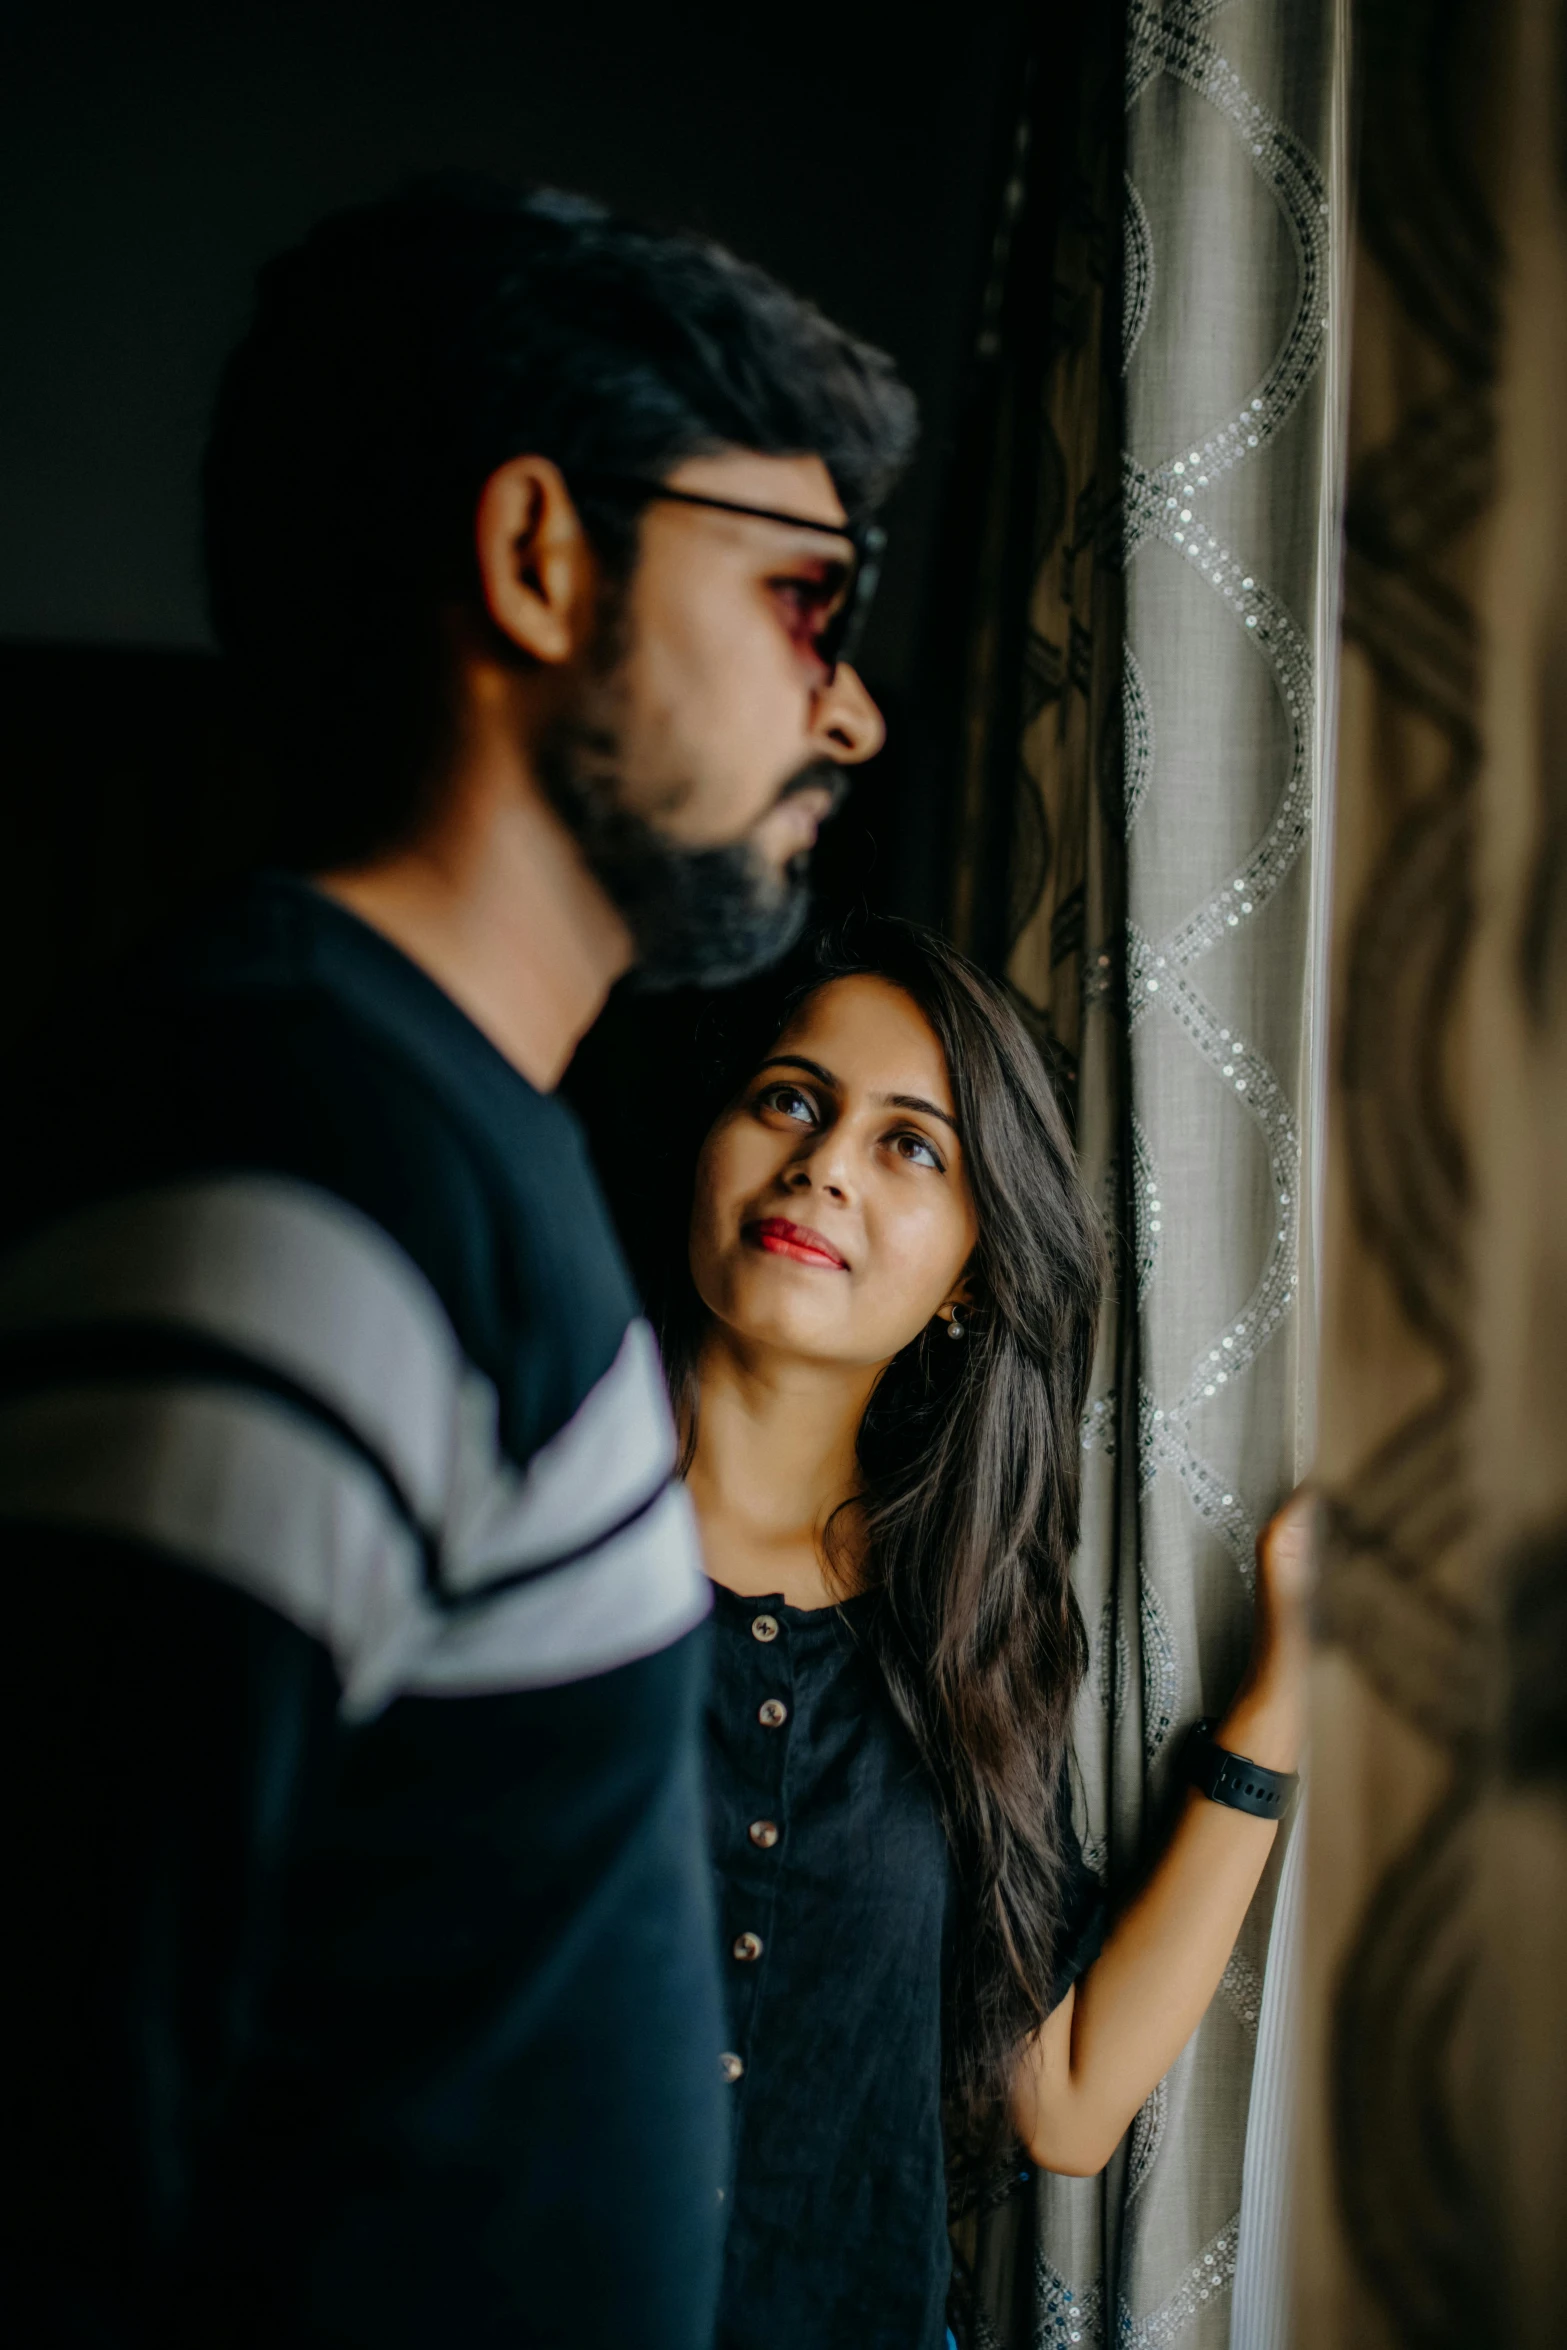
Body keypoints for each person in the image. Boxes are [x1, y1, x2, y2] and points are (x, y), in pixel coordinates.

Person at [0, 178, 914, 2348]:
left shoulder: (447, 1151)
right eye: (806, 603)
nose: (857, 713)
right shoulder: (295, 1179)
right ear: (536, 555)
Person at [655, 919, 1310, 2350]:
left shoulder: (964, 1634)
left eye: (911, 1146)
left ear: (966, 1275)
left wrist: (1281, 1704)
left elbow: (1065, 2098)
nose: (824, 1160)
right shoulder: (515, 1535)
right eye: (791, 1097)